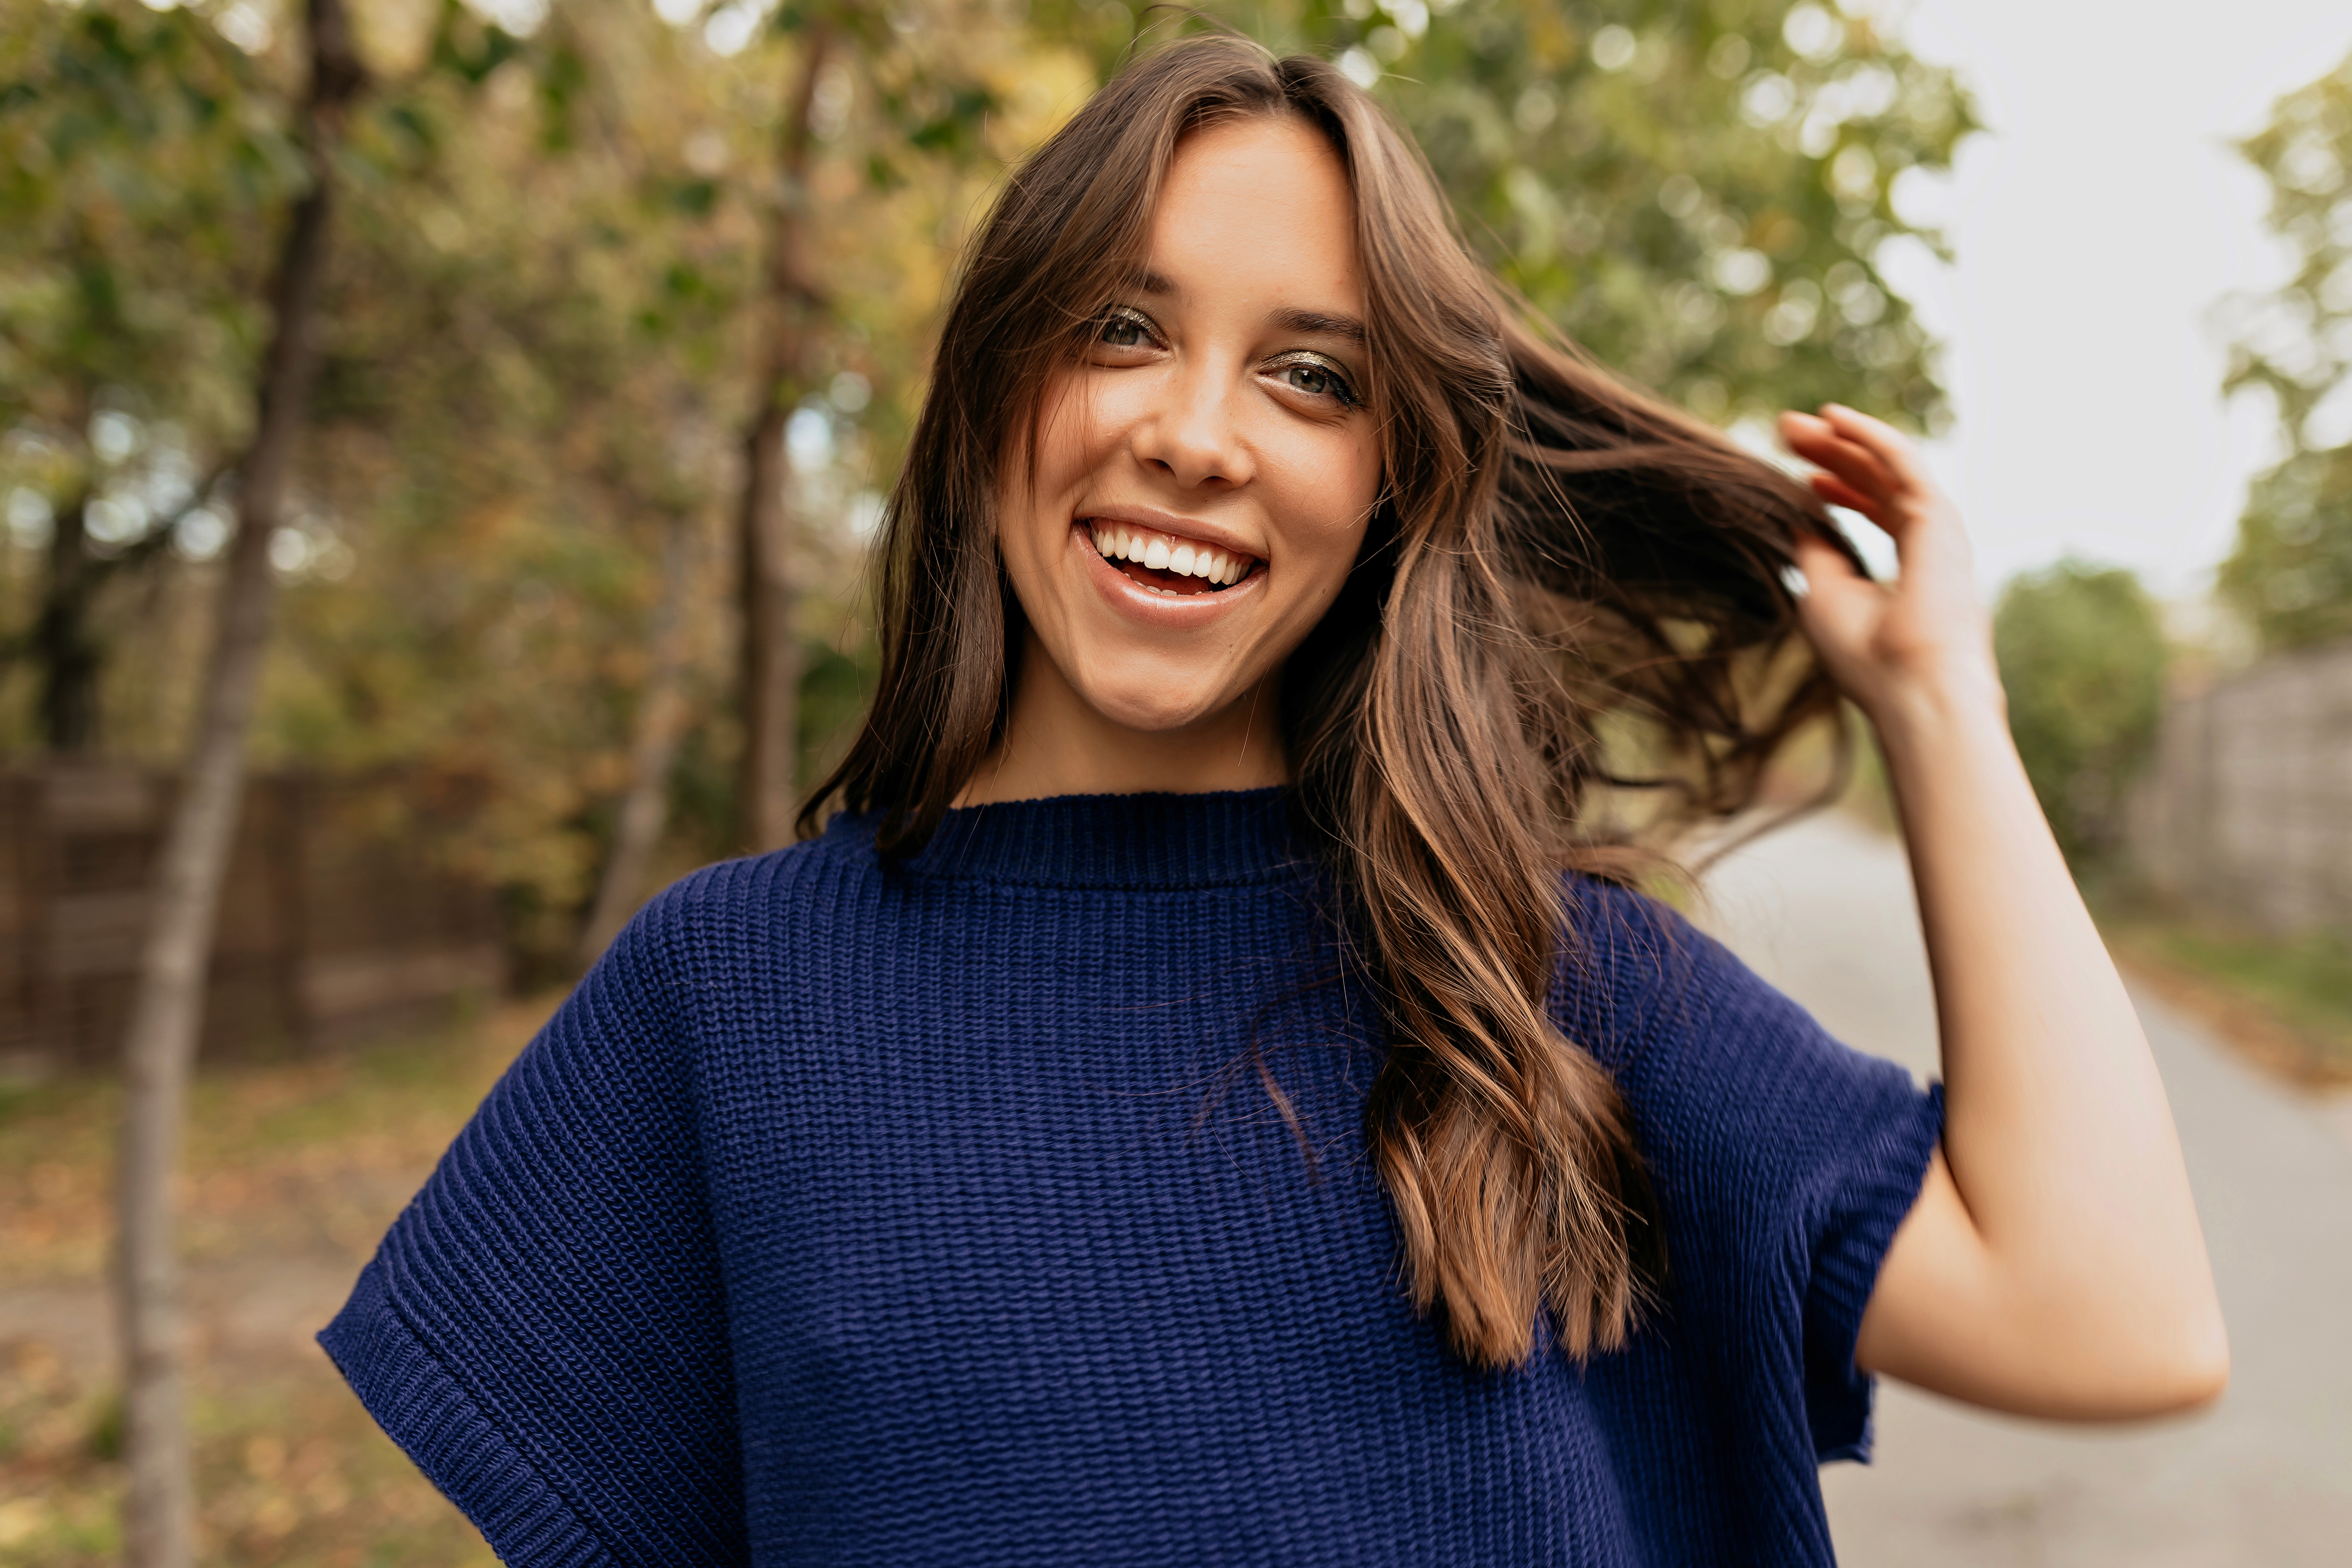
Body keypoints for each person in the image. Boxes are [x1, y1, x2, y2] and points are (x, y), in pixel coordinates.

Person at [322, 35, 2225, 1566]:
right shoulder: (726, 998)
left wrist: (1940, 703)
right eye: (1124, 329)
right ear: (995, 390)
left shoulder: (1554, 992)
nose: (1199, 435)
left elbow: (2119, 1321)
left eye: (1312, 376)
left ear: (1393, 482)